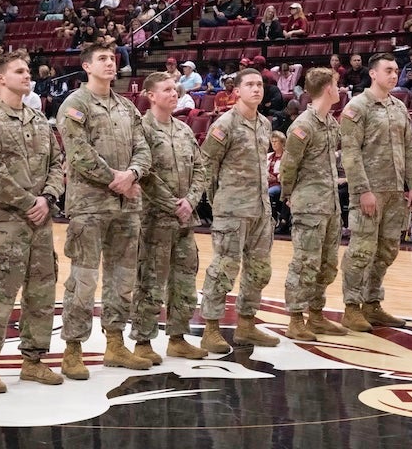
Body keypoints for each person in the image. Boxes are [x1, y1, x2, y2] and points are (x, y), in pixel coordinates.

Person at [0, 51, 65, 393]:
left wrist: (48, 198)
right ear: (1, 78)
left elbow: (58, 162)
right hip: (6, 222)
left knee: (41, 293)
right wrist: (29, 202)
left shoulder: (39, 120)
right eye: (20, 71)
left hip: (40, 222)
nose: (28, 76)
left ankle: (33, 362)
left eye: (29, 72)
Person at [57, 43, 152, 380]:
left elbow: (144, 147)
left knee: (123, 278)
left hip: (127, 206)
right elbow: (78, 152)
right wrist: (116, 179)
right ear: (86, 66)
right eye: (102, 59)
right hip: (89, 206)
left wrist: (134, 175)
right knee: (83, 279)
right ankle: (73, 349)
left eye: (113, 59)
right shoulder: (75, 104)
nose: (110, 63)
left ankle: (115, 344)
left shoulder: (128, 108)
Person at [339, 53, 412, 332]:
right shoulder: (357, 107)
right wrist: (363, 190)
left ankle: (372, 304)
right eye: (388, 69)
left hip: (395, 192)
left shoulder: (399, 107)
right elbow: (350, 154)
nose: (394, 74)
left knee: (387, 250)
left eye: (396, 70)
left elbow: (409, 149)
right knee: (361, 251)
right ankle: (352, 307)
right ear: (373, 73)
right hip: (369, 192)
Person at [199, 67, 280, 353]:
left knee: (259, 271)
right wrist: (217, 200)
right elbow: (207, 165)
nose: (257, 89)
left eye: (259, 85)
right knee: (223, 269)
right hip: (232, 209)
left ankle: (246, 326)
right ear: (238, 91)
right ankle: (211, 328)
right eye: (250, 85)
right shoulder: (225, 124)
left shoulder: (264, 124)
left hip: (260, 209)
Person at [129, 73, 209, 363]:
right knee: (150, 281)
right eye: (166, 90)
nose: (174, 94)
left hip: (185, 220)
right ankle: (143, 342)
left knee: (184, 282)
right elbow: (145, 173)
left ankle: (178, 338)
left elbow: (201, 168)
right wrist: (172, 204)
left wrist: (190, 201)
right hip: (155, 220)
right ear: (151, 95)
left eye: (175, 89)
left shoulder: (184, 130)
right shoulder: (142, 130)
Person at [279, 67, 349, 341]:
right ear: (327, 89)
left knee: (327, 263)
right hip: (309, 204)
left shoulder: (330, 122)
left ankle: (316, 315)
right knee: (304, 263)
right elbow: (289, 165)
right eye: (337, 84)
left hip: (330, 203)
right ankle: (296, 318)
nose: (340, 89)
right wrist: (288, 193)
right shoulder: (302, 125)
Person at [267, 131, 289, 234]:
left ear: (282, 143)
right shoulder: (269, 156)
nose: (274, 144)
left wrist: (275, 178)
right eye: (272, 141)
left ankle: (273, 219)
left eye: (276, 141)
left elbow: (286, 173)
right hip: (266, 183)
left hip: (280, 185)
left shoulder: (286, 156)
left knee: (269, 193)